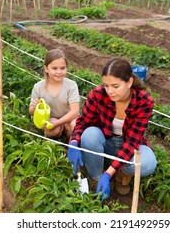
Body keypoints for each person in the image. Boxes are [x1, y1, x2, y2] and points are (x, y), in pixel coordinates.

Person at [67, 57, 157, 199]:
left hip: (129, 144)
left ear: (129, 82)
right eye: (106, 85)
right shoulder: (97, 95)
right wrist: (73, 142)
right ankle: (96, 178)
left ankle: (122, 172)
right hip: (105, 140)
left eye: (115, 86)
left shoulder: (144, 101)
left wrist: (109, 174)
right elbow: (83, 123)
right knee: (89, 135)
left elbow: (132, 142)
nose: (110, 91)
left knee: (147, 164)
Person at [29, 49, 80, 140]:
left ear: (67, 68)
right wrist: (34, 108)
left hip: (69, 119)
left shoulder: (71, 85)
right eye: (54, 68)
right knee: (52, 131)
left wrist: (58, 123)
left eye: (62, 68)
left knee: (75, 126)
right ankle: (58, 137)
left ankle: (70, 141)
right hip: (52, 120)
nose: (59, 72)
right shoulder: (38, 87)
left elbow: (75, 112)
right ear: (46, 69)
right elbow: (31, 112)